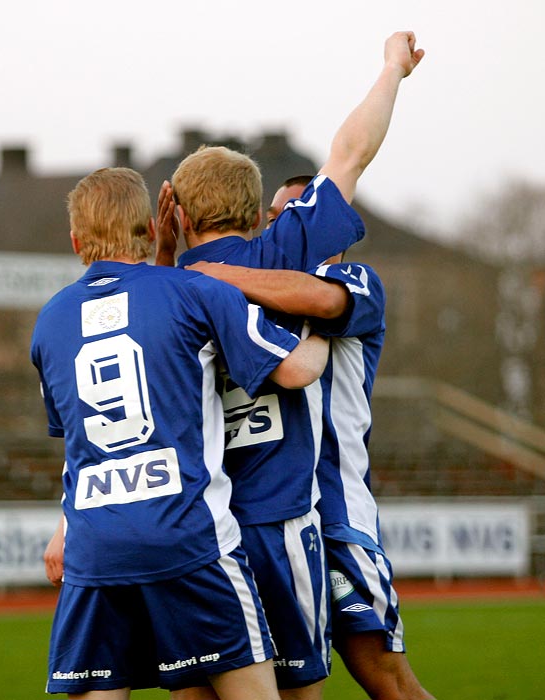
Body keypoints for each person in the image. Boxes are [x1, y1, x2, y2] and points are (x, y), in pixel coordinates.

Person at [154, 30, 425, 700]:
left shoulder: (164, 290)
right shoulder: (285, 252)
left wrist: (175, 261)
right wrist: (392, 68)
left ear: (178, 214)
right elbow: (350, 154)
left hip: (207, 529)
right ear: (257, 213)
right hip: (286, 519)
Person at [31, 166, 331, 699]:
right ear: (152, 224)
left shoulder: (50, 321)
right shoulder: (195, 291)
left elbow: (78, 442)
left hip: (94, 549)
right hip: (188, 537)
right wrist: (326, 318)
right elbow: (297, 371)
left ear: (76, 240)